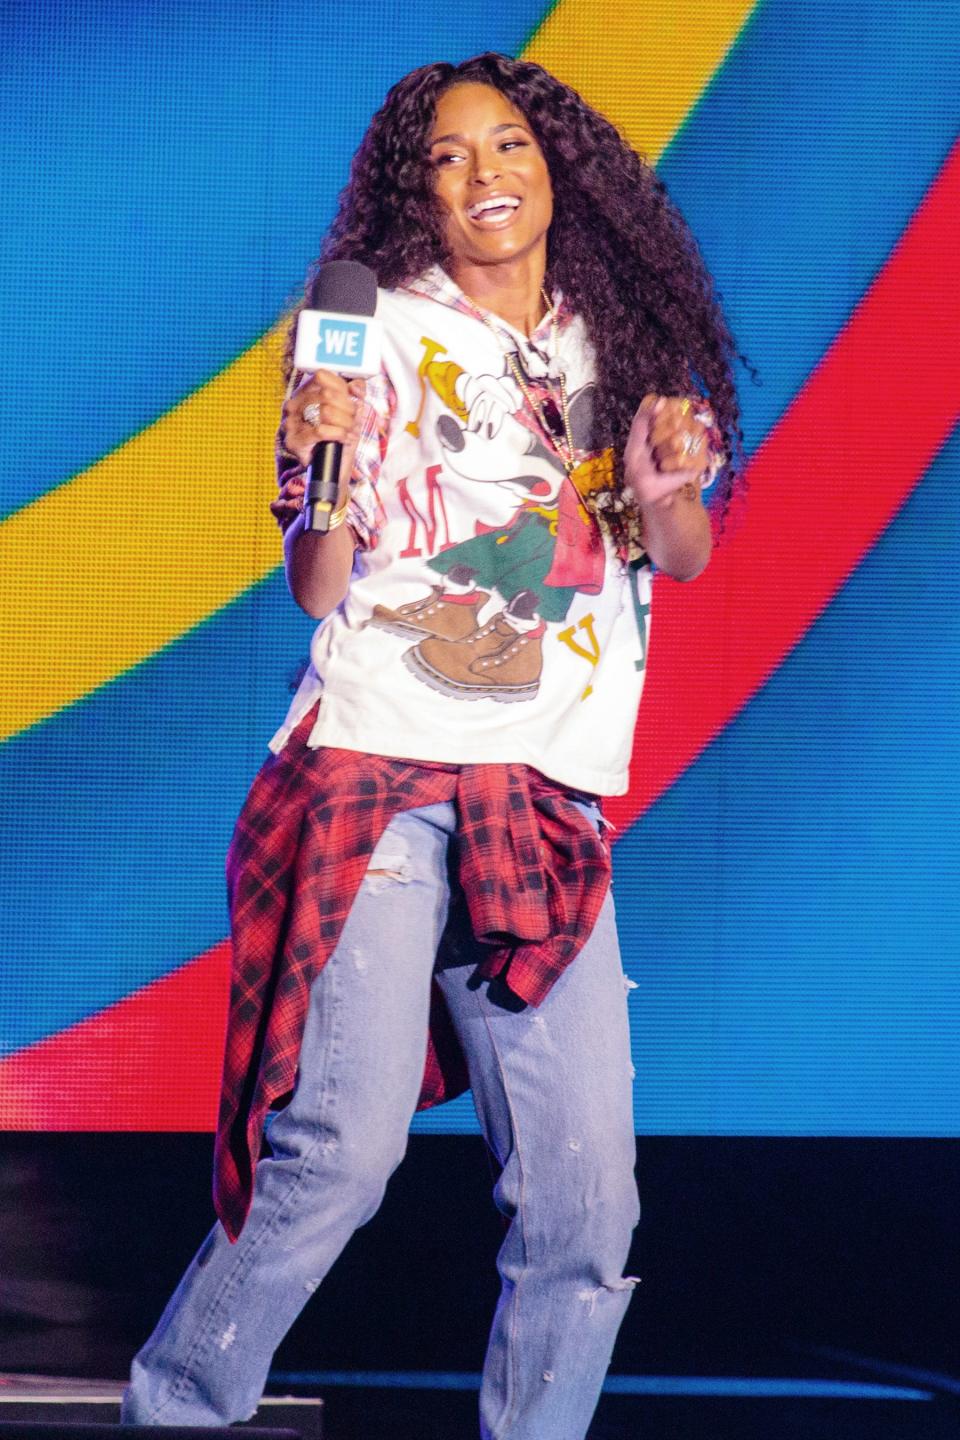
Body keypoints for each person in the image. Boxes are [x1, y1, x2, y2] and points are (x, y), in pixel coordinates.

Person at [122, 51, 742, 1440]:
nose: (485, 178)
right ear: (420, 193)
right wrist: (321, 465)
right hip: (381, 773)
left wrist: (665, 492)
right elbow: (321, 584)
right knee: (341, 1151)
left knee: (588, 1201)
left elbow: (678, 555)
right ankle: (176, 1410)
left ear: (558, 168)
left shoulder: (618, 343)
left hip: (545, 794)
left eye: (509, 147)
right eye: (450, 159)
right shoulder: (370, 324)